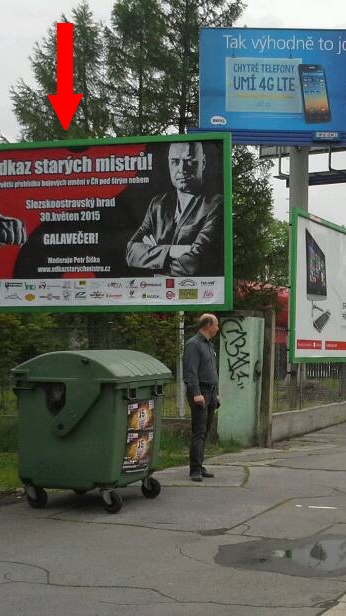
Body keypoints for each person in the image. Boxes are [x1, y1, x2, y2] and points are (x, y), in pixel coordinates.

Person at [125, 142, 223, 276]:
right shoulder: (158, 204)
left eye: (189, 161)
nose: (182, 169)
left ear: (203, 162)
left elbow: (195, 264)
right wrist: (172, 251)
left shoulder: (216, 205)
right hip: (156, 293)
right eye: (175, 162)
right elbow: (131, 252)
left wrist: (153, 256)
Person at [183, 313, 221, 482]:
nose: (218, 328)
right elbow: (191, 371)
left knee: (205, 431)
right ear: (207, 325)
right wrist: (197, 393)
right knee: (199, 431)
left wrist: (216, 393)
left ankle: (200, 464)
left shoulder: (209, 346)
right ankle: (194, 469)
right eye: (216, 325)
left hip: (211, 392)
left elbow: (211, 370)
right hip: (200, 392)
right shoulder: (194, 344)